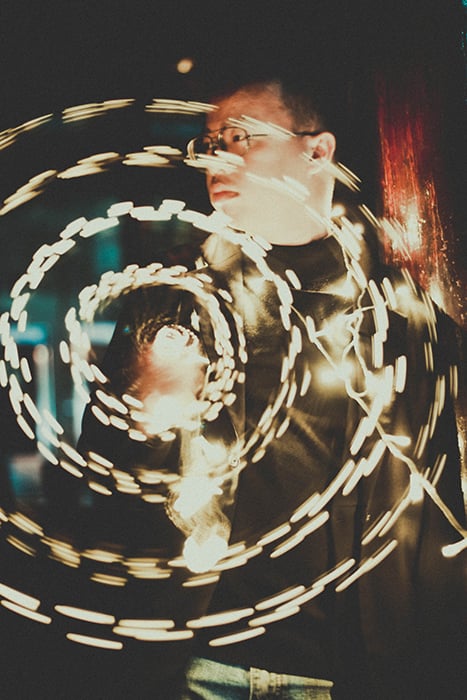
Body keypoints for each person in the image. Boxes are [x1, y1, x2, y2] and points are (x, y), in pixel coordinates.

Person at [79, 79, 466, 699]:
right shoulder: (173, 298)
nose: (216, 158)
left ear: (318, 152)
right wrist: (145, 418)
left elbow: (436, 516)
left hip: (352, 675)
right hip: (201, 671)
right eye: (207, 143)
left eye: (241, 137)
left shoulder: (401, 316)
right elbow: (101, 479)